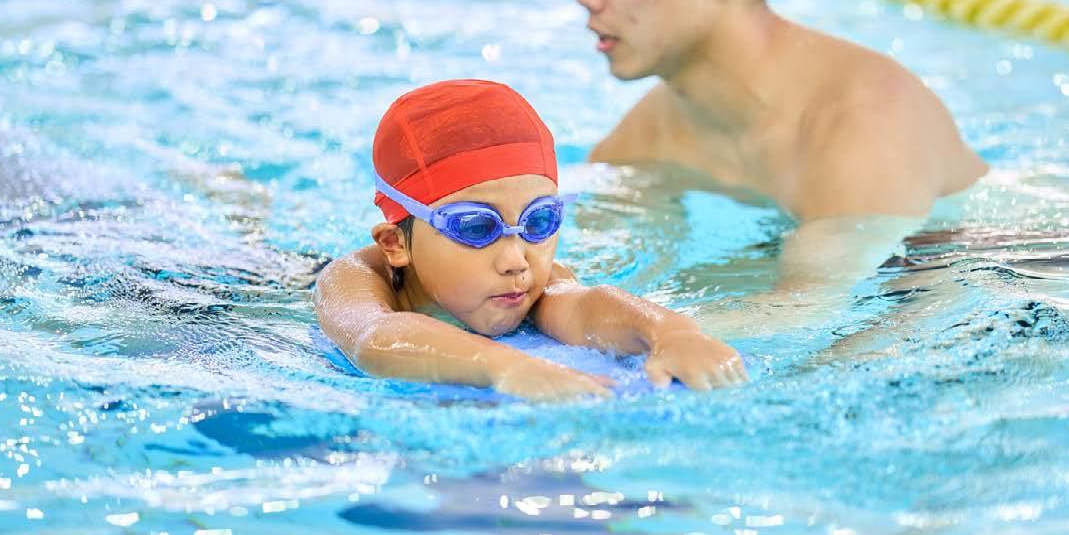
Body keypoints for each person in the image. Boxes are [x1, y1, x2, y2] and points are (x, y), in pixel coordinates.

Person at [553, 0, 990, 323]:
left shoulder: (865, 120)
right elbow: (592, 279)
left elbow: (804, 316)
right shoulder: (649, 136)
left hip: (1014, 275)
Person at [312, 79, 747, 400]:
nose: (516, 260)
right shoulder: (354, 279)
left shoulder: (527, 282)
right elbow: (374, 338)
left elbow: (582, 305)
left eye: (539, 221)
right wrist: (506, 367)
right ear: (395, 243)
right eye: (477, 227)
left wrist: (671, 333)